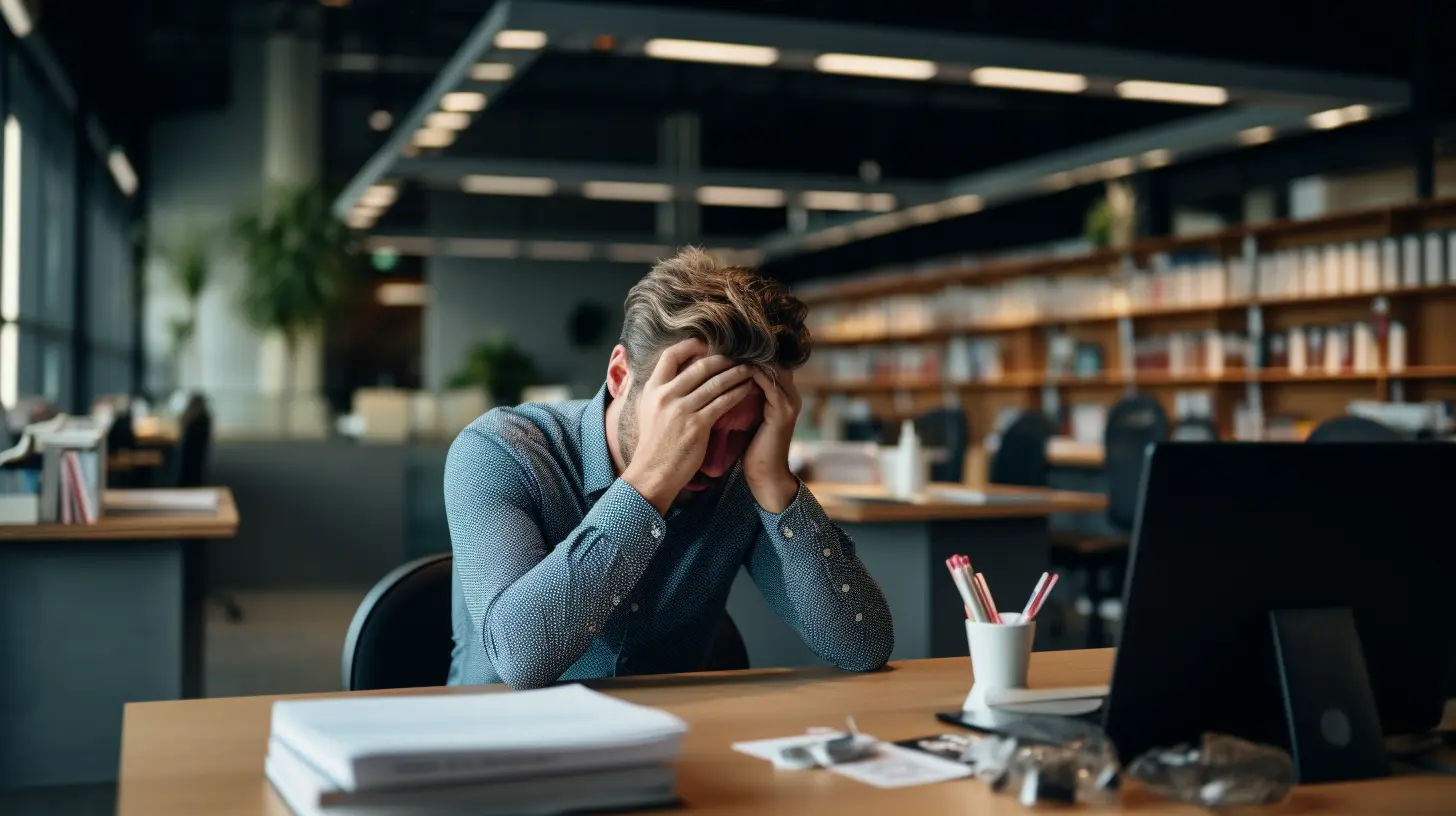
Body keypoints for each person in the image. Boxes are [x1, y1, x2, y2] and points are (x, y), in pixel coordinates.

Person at [445, 248, 894, 688]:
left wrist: (776, 483)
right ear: (621, 377)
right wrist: (651, 483)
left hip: (674, 745)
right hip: (498, 745)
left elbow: (862, 645)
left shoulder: (742, 477)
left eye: (739, 433)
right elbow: (521, 657)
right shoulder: (501, 451)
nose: (717, 464)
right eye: (693, 425)